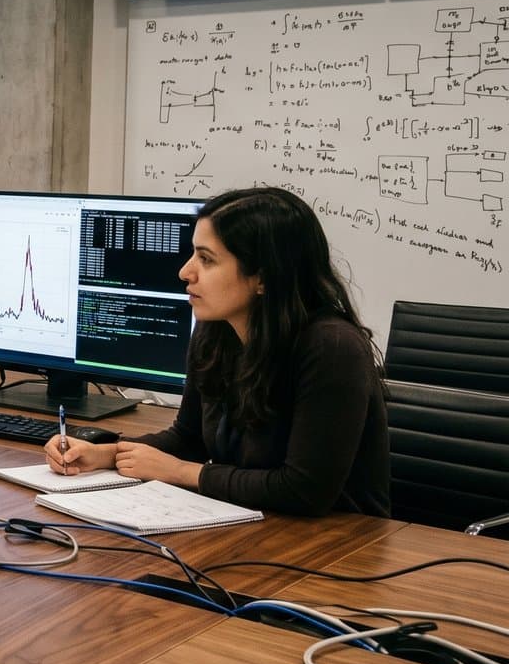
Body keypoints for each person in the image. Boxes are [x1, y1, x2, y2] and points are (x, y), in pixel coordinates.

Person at [44, 186, 389, 517]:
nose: (185, 271)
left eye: (206, 260)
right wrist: (105, 454)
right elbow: (189, 437)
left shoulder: (332, 348)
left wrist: (181, 472)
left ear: (263, 278)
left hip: (339, 545)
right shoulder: (216, 331)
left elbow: (304, 490)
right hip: (248, 523)